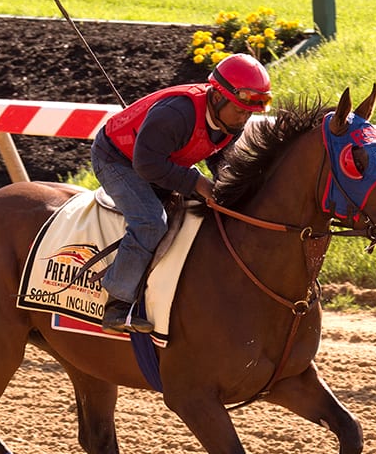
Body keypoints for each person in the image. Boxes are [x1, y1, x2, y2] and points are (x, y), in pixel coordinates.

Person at [91, 53, 273, 334]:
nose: (244, 117)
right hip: (117, 159)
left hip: (158, 159)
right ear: (216, 97)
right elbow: (147, 164)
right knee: (151, 222)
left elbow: (219, 157)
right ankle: (117, 303)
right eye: (240, 109)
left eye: (249, 112)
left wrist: (231, 186)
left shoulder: (231, 121)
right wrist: (197, 182)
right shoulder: (177, 114)